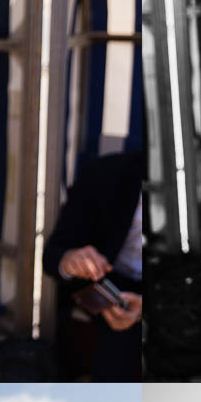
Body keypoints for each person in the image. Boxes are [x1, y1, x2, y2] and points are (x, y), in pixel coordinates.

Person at [42, 150, 145, 381]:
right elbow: (53, 255)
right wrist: (71, 260)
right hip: (109, 279)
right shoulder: (108, 173)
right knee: (122, 329)